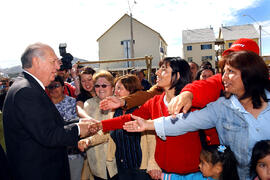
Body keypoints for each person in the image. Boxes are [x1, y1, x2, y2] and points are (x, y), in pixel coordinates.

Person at [123, 51, 270, 180]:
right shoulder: (221, 107)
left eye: (230, 71)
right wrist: (148, 124)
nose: (223, 78)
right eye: (223, 71)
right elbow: (186, 122)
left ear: (249, 74)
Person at [93, 57, 219, 179]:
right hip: (163, 172)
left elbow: (212, 135)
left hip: (191, 173)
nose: (157, 72)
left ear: (178, 75)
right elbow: (131, 118)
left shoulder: (190, 101)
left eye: (163, 69)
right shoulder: (155, 102)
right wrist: (101, 125)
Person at [2, 43, 93, 180]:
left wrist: (81, 121)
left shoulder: (28, 86)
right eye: (54, 61)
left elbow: (51, 124)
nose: (58, 67)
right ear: (36, 62)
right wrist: (79, 129)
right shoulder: (26, 91)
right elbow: (48, 135)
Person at [80, 70, 118, 180]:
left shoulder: (119, 103)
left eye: (104, 85)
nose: (100, 88)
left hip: (115, 162)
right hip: (95, 162)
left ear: (112, 87)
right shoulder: (88, 104)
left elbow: (112, 131)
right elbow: (85, 129)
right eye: (97, 85)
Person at [47, 75, 84, 180]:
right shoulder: (45, 106)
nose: (53, 89)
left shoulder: (74, 103)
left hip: (73, 154)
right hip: (53, 156)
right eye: (51, 86)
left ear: (63, 87)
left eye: (56, 85)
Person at [162, 145, 239, 180]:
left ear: (218, 168)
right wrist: (161, 176)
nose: (199, 165)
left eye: (203, 163)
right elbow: (182, 179)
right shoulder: (199, 177)